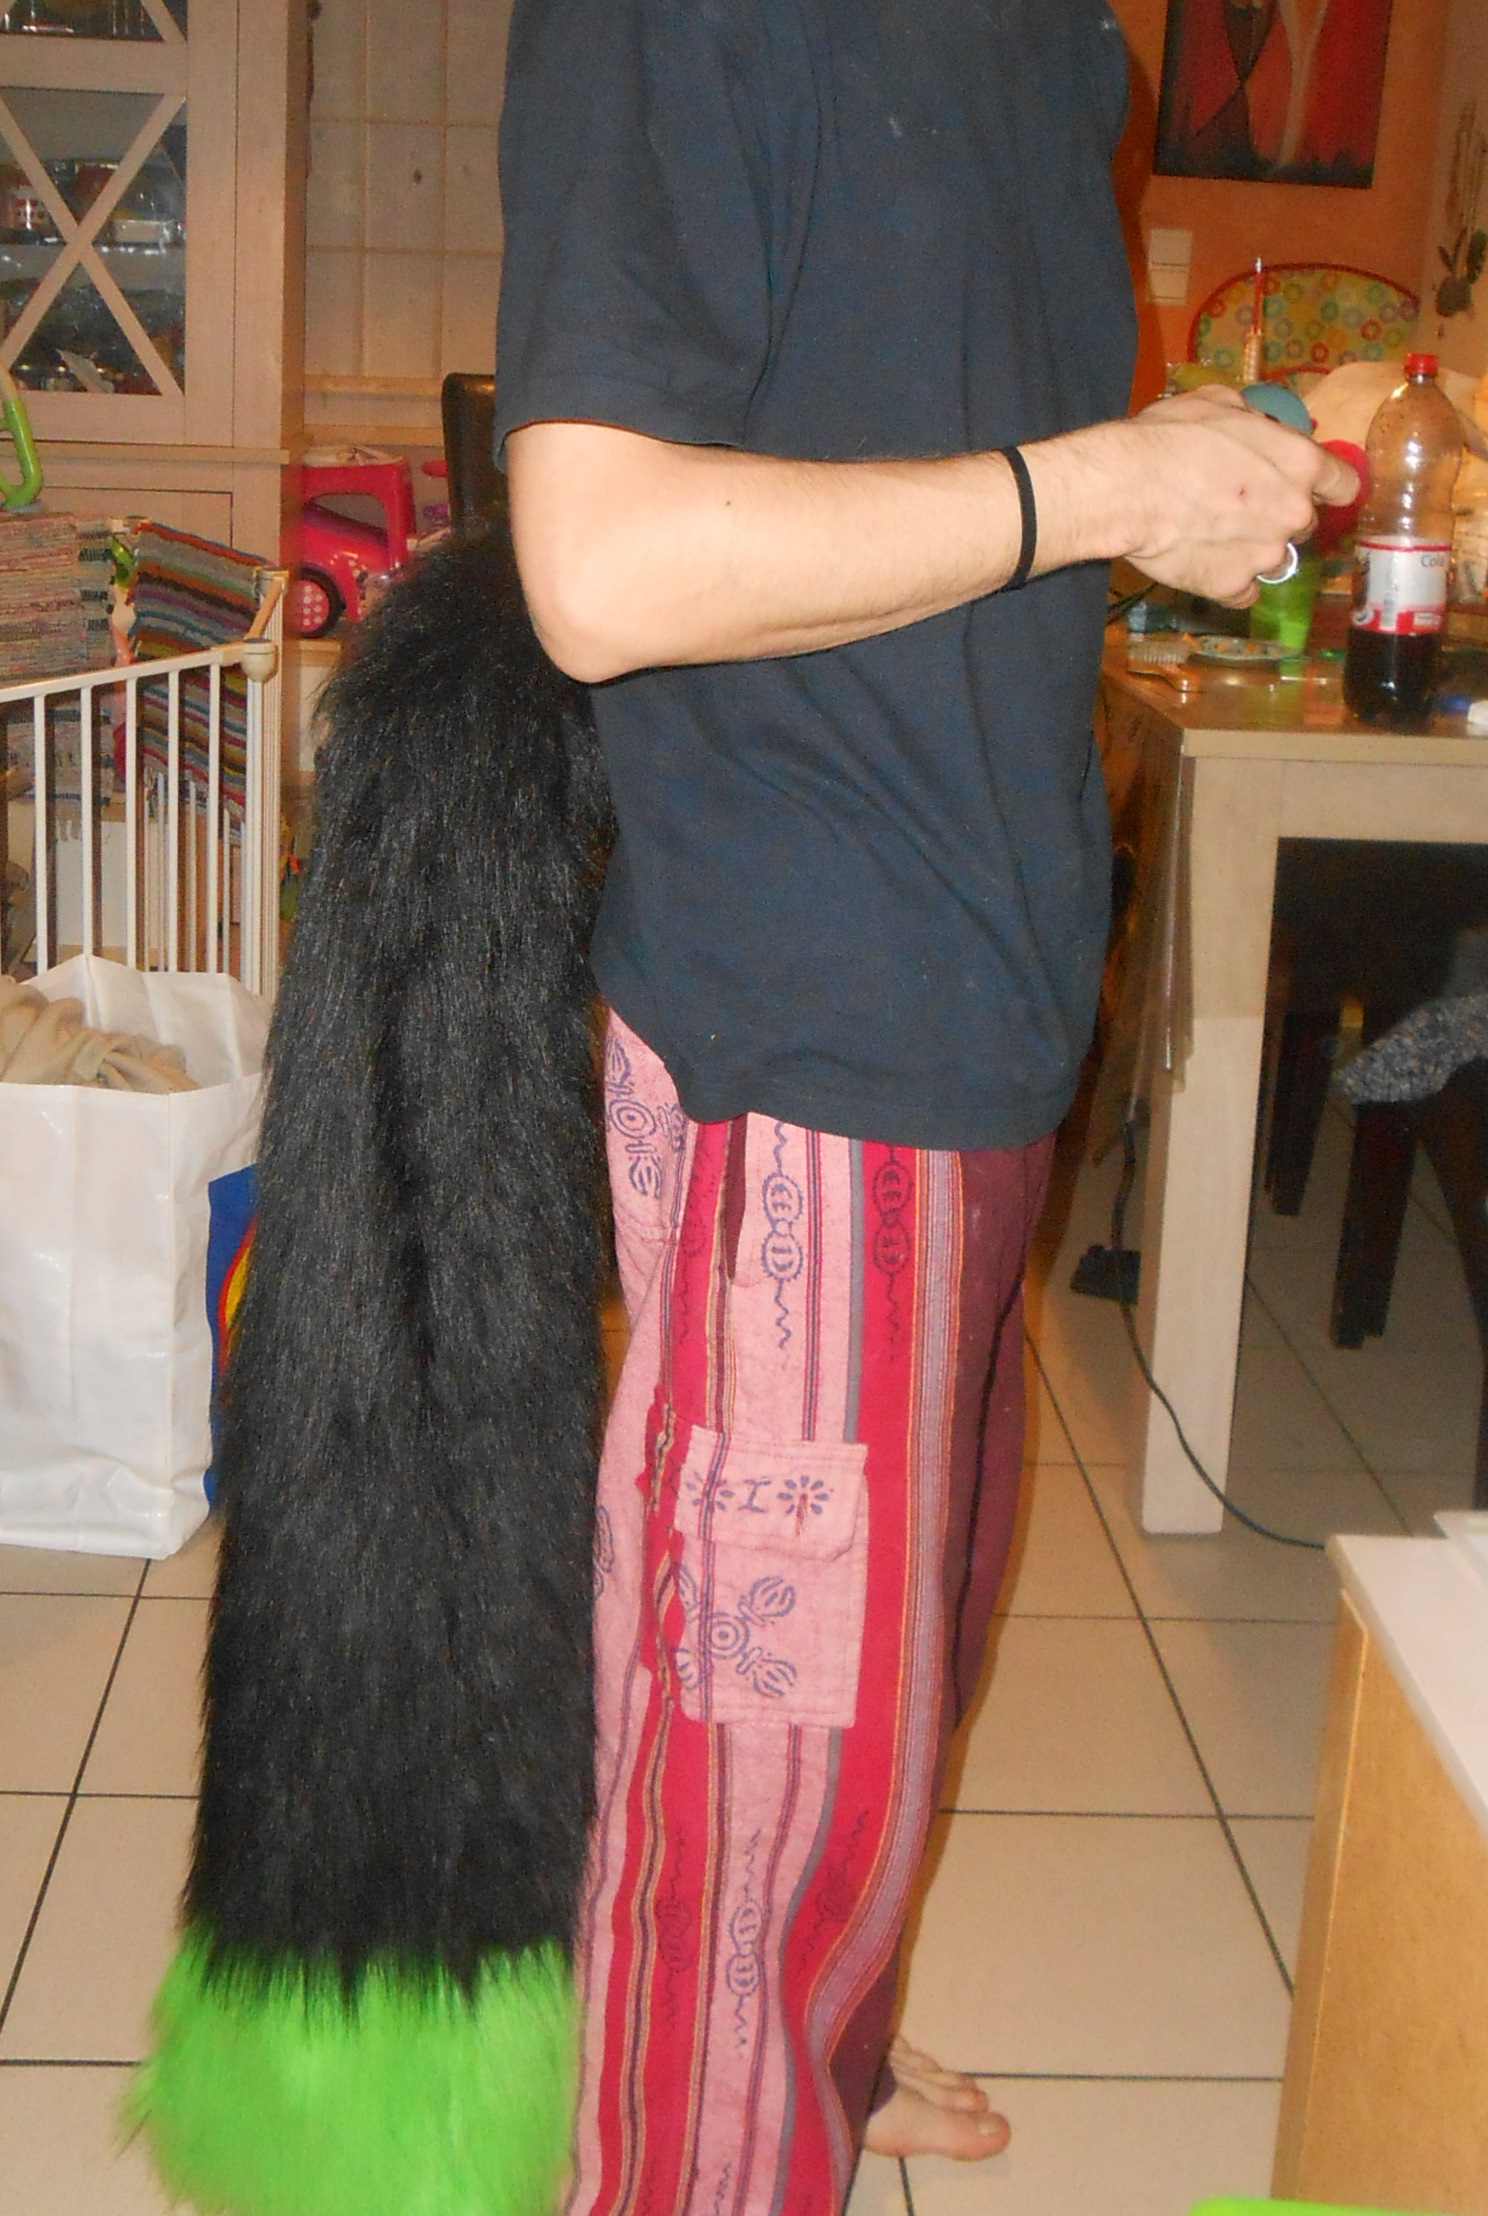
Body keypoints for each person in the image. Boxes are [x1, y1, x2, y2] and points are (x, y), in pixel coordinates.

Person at [492, 2, 1355, 2211]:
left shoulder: (1059, 47)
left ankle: (814, 2035)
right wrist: (1102, 486)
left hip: (985, 1010)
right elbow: (602, 566)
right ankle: (708, 2106)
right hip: (811, 1044)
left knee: (878, 1706)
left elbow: (930, 469)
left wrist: (1194, 466)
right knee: (754, 1789)